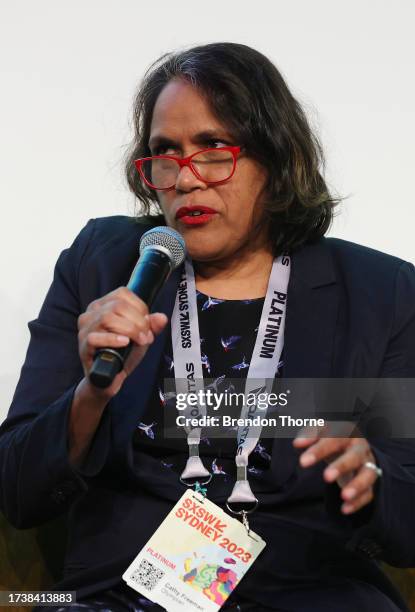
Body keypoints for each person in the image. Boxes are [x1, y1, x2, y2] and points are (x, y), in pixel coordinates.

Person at [1, 42, 415, 612]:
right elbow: (18, 491)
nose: (186, 179)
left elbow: (409, 518)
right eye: (165, 154)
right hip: (122, 594)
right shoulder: (104, 264)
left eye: (214, 148)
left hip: (308, 591)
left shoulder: (380, 292)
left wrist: (371, 477)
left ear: (276, 157)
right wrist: (92, 395)